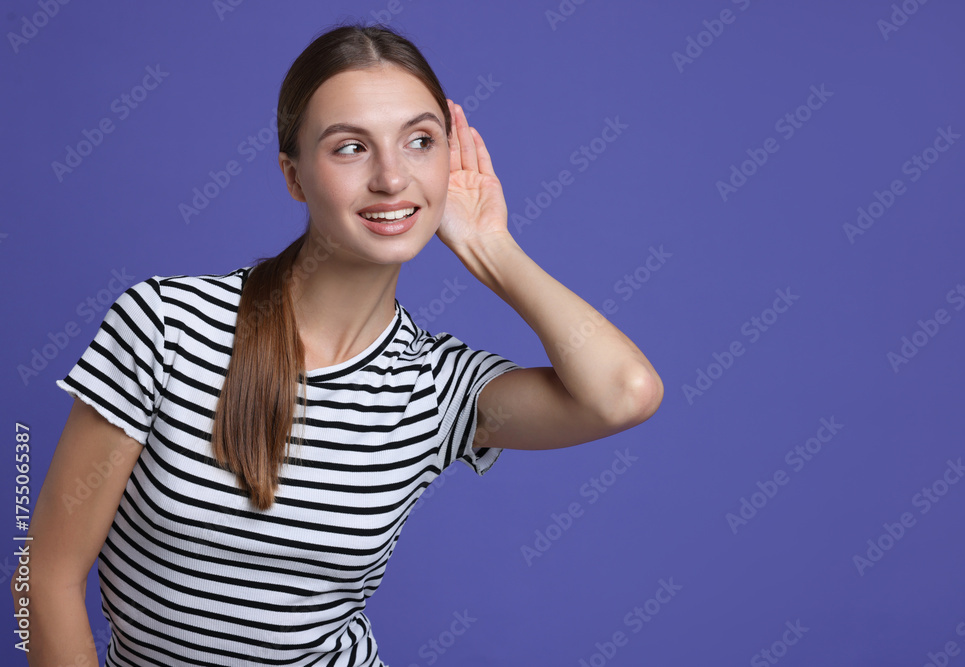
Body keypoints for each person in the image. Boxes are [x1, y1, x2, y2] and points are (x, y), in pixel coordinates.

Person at [16, 22, 663, 667]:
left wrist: (490, 246)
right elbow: (44, 575)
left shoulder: (435, 388)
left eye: (419, 141)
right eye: (350, 147)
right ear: (293, 176)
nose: (391, 177)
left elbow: (623, 393)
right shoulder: (165, 327)